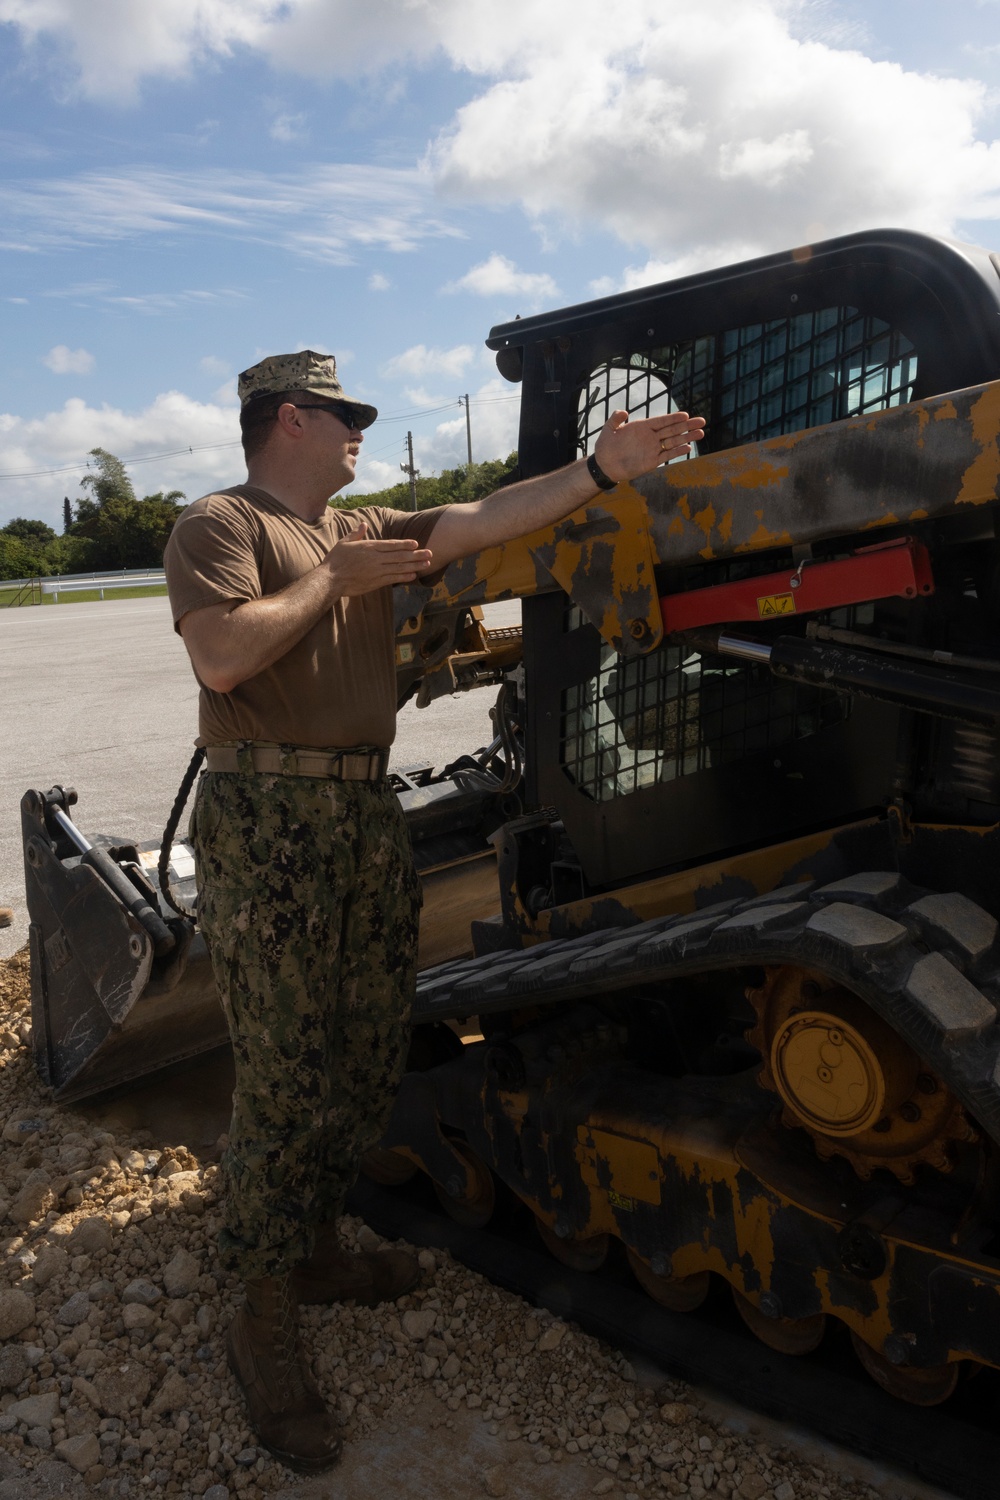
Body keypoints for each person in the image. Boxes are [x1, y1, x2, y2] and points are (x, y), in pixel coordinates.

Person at [163, 349, 704, 1473]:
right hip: (270, 816)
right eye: (346, 414)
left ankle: (311, 1247)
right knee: (286, 1068)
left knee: (364, 1053)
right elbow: (221, 658)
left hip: (358, 817)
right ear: (290, 419)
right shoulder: (221, 525)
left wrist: (597, 469)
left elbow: (480, 513)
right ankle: (258, 1315)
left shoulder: (364, 526)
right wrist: (334, 584)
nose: (363, 428)